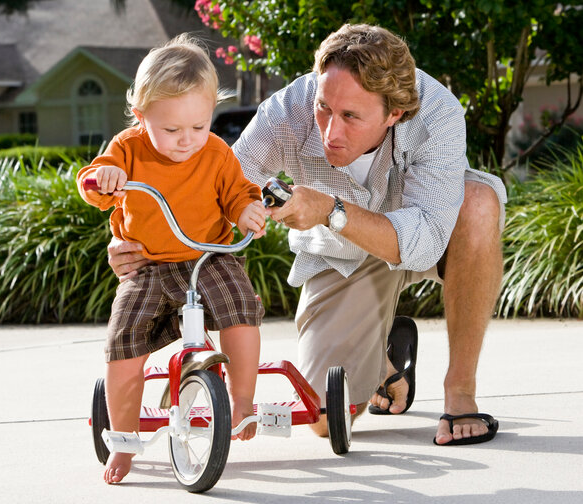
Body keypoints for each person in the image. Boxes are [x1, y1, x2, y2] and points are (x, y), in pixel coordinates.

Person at [108, 24, 507, 447]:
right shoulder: (287, 111)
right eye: (324, 108)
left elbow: (424, 242)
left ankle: (460, 390)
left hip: (425, 236)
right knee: (322, 418)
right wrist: (137, 239)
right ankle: (383, 357)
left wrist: (329, 210)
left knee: (479, 202)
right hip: (341, 256)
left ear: (396, 114)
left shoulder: (436, 114)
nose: (330, 132)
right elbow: (215, 189)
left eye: (351, 116)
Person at [77, 34, 266, 484]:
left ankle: (241, 403)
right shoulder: (128, 148)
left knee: (241, 310)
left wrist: (246, 210)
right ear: (141, 118)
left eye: (199, 126)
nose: (187, 141)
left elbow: (238, 192)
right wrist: (106, 178)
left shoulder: (216, 153)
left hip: (209, 257)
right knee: (123, 343)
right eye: (171, 130)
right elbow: (93, 184)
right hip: (146, 265)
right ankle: (122, 441)